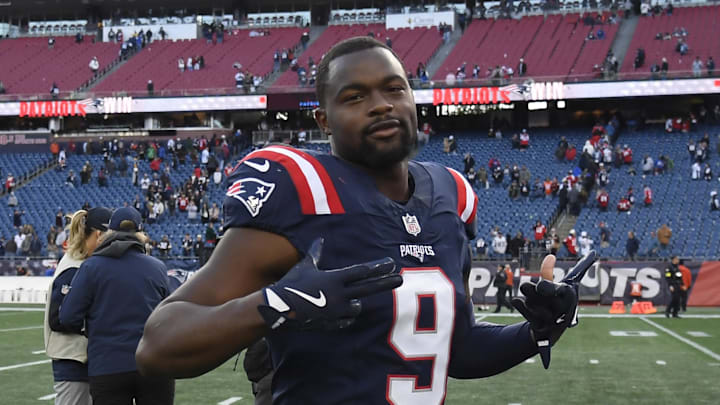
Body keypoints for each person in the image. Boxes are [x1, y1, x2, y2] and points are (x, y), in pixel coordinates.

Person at [135, 36, 593, 403]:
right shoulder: (302, 191)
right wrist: (278, 303)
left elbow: (452, 347)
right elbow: (158, 344)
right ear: (324, 121)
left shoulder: (448, 196)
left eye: (394, 89)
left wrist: (534, 332)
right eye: (355, 97)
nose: (381, 105)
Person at [59, 207, 173, 404]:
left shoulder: (91, 267)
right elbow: (170, 317)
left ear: (108, 233)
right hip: (153, 364)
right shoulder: (157, 268)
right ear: (140, 234)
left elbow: (68, 317)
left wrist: (92, 329)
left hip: (107, 365)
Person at [44, 207, 112, 405]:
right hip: (73, 359)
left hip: (84, 357)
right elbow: (57, 318)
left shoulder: (83, 263)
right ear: (99, 235)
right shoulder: (74, 267)